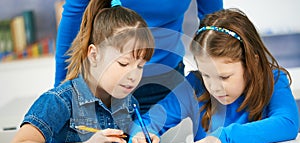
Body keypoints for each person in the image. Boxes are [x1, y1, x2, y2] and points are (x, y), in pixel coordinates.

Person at [129, 8, 299, 143]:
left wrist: (224, 136)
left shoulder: (274, 80)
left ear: (251, 64)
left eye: (224, 77)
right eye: (206, 75)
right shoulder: (195, 85)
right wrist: (140, 135)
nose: (214, 87)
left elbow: (288, 123)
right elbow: (148, 121)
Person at [4, 0, 154, 143]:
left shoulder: (128, 103)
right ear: (94, 55)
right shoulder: (60, 101)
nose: (133, 76)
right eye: (124, 64)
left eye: (140, 66)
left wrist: (137, 138)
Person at [54, 0, 223, 114]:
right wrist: (61, 93)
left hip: (166, 82)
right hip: (106, 86)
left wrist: (219, 80)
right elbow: (73, 16)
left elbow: (214, 24)